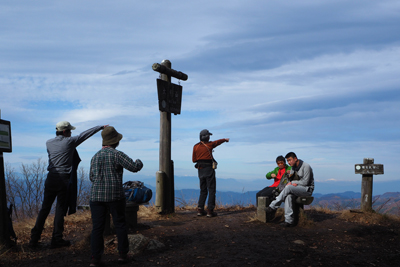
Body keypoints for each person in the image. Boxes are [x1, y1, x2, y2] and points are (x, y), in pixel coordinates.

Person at [30, 121, 105, 248]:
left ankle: (34, 239)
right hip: (63, 179)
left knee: (45, 209)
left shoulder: (48, 143)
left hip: (50, 178)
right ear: (65, 132)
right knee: (60, 209)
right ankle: (57, 239)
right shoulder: (69, 142)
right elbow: (84, 135)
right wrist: (100, 127)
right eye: (70, 131)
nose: (71, 134)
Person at [89, 126, 143, 267]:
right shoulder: (117, 154)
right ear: (115, 141)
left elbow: (91, 177)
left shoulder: (94, 157)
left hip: (96, 196)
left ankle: (95, 258)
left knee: (97, 228)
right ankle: (123, 255)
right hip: (115, 196)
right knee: (120, 224)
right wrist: (139, 161)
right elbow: (134, 167)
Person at [265, 152, 314, 227]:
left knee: (288, 187)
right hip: (297, 188)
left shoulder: (306, 166)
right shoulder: (293, 167)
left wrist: (294, 182)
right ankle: (289, 221)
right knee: (288, 197)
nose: (289, 162)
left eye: (290, 160)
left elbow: (305, 182)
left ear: (295, 159)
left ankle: (273, 206)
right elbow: (290, 179)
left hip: (307, 189)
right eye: (287, 161)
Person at [192, 129, 229, 217]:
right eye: (208, 136)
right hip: (209, 169)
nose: (209, 137)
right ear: (206, 137)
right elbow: (217, 142)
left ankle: (200, 209)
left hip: (200, 170)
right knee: (211, 190)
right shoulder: (209, 145)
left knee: (203, 190)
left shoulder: (195, 146)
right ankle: (210, 210)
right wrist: (225, 139)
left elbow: (194, 160)